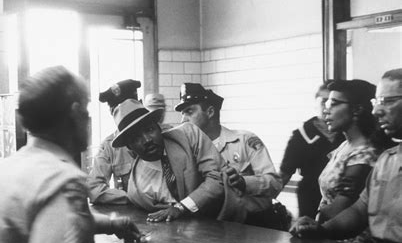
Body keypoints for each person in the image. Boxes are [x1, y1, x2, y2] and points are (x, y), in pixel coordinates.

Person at [0, 67, 178, 243]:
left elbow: (34, 222)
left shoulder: (1, 171)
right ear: (75, 113)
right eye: (87, 111)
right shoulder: (59, 179)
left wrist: (109, 223)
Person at [290, 68, 402, 243]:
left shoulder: (367, 154)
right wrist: (320, 229)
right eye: (377, 101)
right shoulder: (386, 160)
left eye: (388, 101)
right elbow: (360, 210)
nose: (376, 111)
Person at [176, 83, 282, 223]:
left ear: (210, 112)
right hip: (211, 226)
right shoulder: (186, 152)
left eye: (189, 112)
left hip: (254, 224)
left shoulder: (244, 141)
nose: (183, 120)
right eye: (182, 114)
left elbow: (275, 184)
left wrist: (244, 182)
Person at [111, 99, 225, 223]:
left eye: (150, 130)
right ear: (129, 146)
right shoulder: (137, 191)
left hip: (228, 217)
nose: (147, 139)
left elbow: (217, 178)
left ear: (159, 128)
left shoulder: (189, 136)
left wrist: (181, 208)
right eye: (137, 137)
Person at [316, 79, 380, 224]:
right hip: (329, 235)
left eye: (334, 104)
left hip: (350, 241)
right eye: (326, 103)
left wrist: (314, 221)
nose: (326, 110)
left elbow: (339, 208)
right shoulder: (344, 146)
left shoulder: (364, 154)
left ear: (357, 109)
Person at [279, 81, 344, 219]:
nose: (328, 107)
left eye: (333, 103)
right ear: (316, 103)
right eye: (324, 101)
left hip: (343, 197)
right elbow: (284, 173)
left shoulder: (347, 132)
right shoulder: (301, 135)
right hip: (311, 195)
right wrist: (265, 202)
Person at [87, 79, 140, 205]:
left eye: (128, 107)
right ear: (112, 113)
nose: (123, 115)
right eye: (116, 111)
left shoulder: (159, 136)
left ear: (140, 104)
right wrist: (135, 198)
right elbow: (94, 189)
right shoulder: (109, 145)